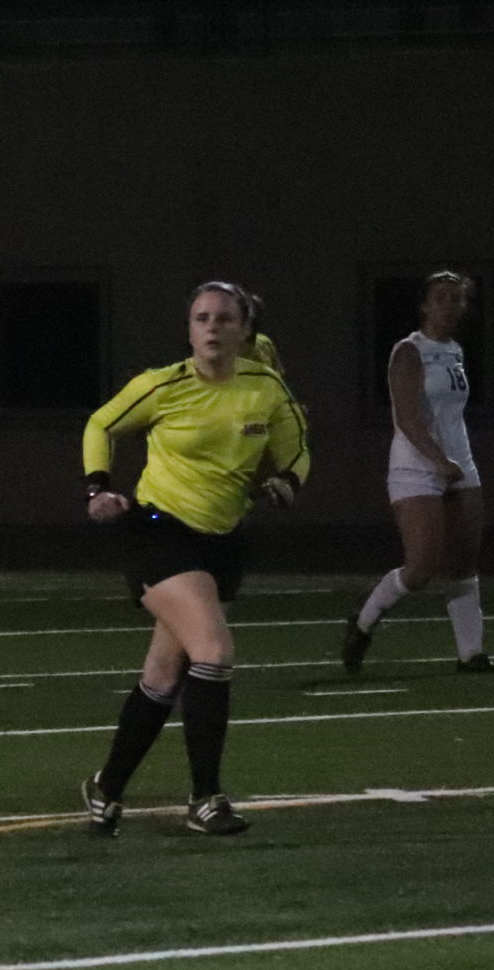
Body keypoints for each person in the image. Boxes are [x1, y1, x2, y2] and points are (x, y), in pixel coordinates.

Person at [78, 281, 310, 837]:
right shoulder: (163, 385)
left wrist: (285, 482)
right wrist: (98, 489)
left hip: (221, 542)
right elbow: (100, 424)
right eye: (201, 318)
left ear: (243, 330)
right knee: (213, 648)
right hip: (157, 532)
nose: (211, 327)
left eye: (223, 318)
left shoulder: (265, 385)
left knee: (163, 674)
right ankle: (205, 798)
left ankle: (105, 788)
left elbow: (297, 450)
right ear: (189, 329)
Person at [341, 271, 494, 675]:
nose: (449, 305)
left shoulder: (454, 350)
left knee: (465, 564)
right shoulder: (408, 351)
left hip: (459, 462)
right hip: (416, 466)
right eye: (441, 298)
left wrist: (455, 462)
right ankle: (362, 623)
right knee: (421, 566)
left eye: (456, 298)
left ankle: (471, 655)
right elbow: (408, 417)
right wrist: (438, 460)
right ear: (424, 305)